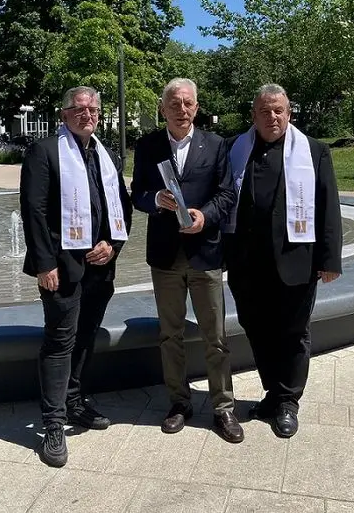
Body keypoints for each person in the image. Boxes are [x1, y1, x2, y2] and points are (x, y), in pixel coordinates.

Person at [20, 86, 132, 468]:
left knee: (86, 336)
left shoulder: (107, 155)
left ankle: (73, 400)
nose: (87, 114)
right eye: (79, 109)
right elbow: (32, 210)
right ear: (64, 114)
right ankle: (52, 423)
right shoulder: (45, 151)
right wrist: (43, 264)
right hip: (61, 265)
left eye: (93, 109)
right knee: (60, 340)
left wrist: (113, 245)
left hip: (100, 263)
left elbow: (123, 205)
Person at [224, 84, 342, 438]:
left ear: (289, 114)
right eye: (265, 111)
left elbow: (328, 205)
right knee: (256, 328)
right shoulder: (236, 149)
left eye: (278, 111)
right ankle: (274, 393)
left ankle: (288, 401)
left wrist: (330, 258)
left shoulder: (314, 151)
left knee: (292, 333)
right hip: (247, 263)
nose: (272, 117)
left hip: (296, 261)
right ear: (254, 116)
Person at [131, 78, 243, 443]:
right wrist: (154, 199)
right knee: (170, 336)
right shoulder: (148, 145)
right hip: (165, 256)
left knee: (216, 337)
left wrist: (205, 216)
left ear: (196, 107)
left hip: (205, 252)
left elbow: (228, 194)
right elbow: (137, 195)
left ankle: (223, 407)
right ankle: (179, 403)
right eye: (174, 104)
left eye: (188, 104)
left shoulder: (215, 145)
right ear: (162, 108)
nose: (182, 110)